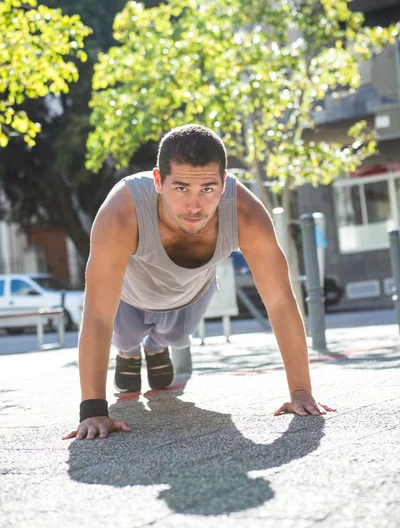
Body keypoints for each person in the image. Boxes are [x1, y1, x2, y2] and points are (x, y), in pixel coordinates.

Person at [63, 124, 335, 442]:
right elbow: (97, 314)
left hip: (190, 293)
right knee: (127, 336)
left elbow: (279, 300)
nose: (195, 206)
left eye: (207, 189)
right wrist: (93, 411)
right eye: (181, 189)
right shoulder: (123, 212)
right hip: (129, 296)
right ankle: (130, 355)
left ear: (224, 183)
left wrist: (301, 391)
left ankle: (156, 346)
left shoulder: (245, 214)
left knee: (175, 334)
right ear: (158, 181)